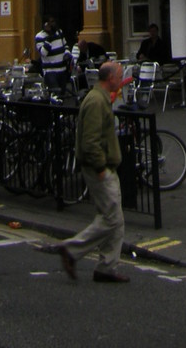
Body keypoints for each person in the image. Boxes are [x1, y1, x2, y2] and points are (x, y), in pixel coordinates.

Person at [48, 60, 130, 284]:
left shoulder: (100, 98)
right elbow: (90, 141)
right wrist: (101, 167)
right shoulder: (95, 102)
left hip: (105, 166)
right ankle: (71, 250)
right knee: (112, 219)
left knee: (116, 220)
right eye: (120, 75)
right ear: (110, 78)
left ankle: (106, 267)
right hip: (99, 170)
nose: (122, 79)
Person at [35, 14, 70, 89]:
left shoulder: (59, 32)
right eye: (50, 22)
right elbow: (43, 53)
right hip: (50, 72)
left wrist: (67, 53)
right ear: (45, 24)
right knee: (55, 93)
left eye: (53, 22)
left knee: (62, 94)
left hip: (62, 70)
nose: (52, 24)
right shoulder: (39, 37)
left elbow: (66, 45)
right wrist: (50, 38)